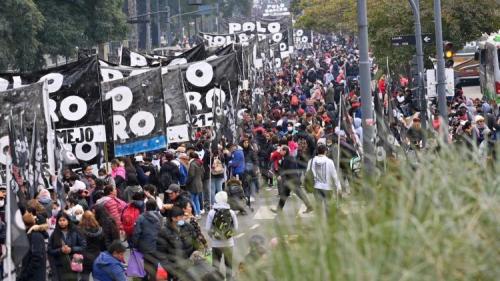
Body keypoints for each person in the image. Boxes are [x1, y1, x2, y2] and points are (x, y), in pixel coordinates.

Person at [155, 206, 199, 280]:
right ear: (173, 218)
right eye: (181, 217)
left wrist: (195, 253)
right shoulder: (164, 232)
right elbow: (161, 254)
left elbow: (195, 242)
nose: (183, 219)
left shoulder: (188, 227)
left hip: (190, 267)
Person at [206, 191, 238, 281]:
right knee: (229, 265)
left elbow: (208, 229)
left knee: (216, 265)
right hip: (229, 243)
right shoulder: (231, 212)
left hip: (216, 244)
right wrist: (230, 236)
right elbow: (236, 228)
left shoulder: (211, 213)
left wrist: (213, 237)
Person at [272, 146, 313, 213]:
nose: (280, 152)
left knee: (300, 194)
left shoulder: (287, 159)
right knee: (285, 195)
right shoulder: (288, 158)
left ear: (285, 151)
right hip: (291, 180)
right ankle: (279, 209)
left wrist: (281, 176)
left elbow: (288, 170)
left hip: (292, 181)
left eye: (281, 150)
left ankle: (309, 206)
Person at [48, 212, 87, 281]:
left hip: (74, 263)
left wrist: (71, 249)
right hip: (60, 265)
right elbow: (50, 250)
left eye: (64, 220)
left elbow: (83, 246)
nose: (62, 222)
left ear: (68, 221)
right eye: (60, 220)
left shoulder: (75, 231)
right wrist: (60, 250)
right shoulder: (55, 234)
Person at [132, 199, 163, 280]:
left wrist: (134, 245)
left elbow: (136, 233)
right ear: (155, 207)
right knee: (154, 265)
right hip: (156, 246)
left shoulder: (141, 218)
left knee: (145, 265)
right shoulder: (160, 217)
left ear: (146, 207)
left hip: (144, 246)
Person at [307, 144, 342, 215]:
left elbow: (307, 173)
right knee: (328, 206)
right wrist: (338, 186)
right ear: (325, 151)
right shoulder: (330, 161)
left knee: (318, 205)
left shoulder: (311, 161)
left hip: (316, 186)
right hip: (328, 187)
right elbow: (334, 175)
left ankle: (319, 222)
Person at [18, 212, 47, 281]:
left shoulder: (35, 235)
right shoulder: (30, 235)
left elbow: (36, 257)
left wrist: (25, 274)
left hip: (34, 276)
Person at [78, 211, 107, 281]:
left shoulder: (79, 230)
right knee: (97, 277)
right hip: (97, 256)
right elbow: (103, 245)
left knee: (84, 276)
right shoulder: (100, 230)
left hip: (84, 257)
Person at [186, 151, 205, 217]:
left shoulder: (192, 164)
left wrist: (187, 182)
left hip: (193, 184)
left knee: (191, 200)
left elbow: (191, 175)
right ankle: (198, 213)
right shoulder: (200, 163)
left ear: (191, 157)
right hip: (199, 183)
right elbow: (203, 174)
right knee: (196, 199)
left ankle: (195, 213)